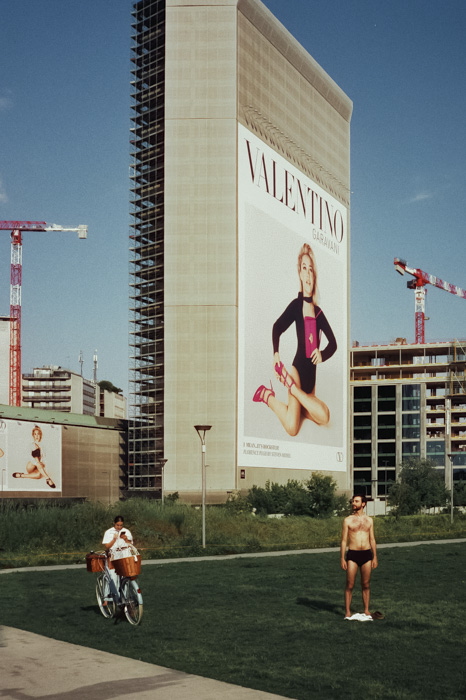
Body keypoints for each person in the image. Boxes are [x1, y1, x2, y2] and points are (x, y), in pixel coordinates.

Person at [253, 243, 337, 435]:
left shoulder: (318, 313)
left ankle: (292, 390)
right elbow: (277, 327)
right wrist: (276, 355)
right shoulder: (296, 306)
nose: (307, 274)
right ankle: (268, 395)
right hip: (297, 374)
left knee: (325, 417)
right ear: (299, 273)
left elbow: (333, 344)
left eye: (311, 270)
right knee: (292, 428)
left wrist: (322, 354)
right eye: (304, 268)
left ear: (314, 276)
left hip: (309, 386)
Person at [340, 494, 378, 620]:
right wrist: (342, 558)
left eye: (356, 501)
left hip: (366, 554)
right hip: (353, 554)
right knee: (350, 584)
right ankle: (347, 612)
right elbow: (344, 540)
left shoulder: (369, 520)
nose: (353, 503)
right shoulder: (348, 520)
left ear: (363, 503)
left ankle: (366, 610)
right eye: (353, 501)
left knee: (366, 584)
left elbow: (372, 539)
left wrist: (375, 557)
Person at [102, 515, 134, 587]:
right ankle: (112, 592)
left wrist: (126, 539)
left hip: (124, 554)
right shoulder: (108, 532)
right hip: (114, 554)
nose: (119, 527)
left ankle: (124, 592)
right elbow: (107, 546)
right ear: (114, 523)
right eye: (117, 525)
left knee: (125, 576)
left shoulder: (126, 531)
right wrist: (114, 539)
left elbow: (131, 544)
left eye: (121, 525)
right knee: (113, 576)